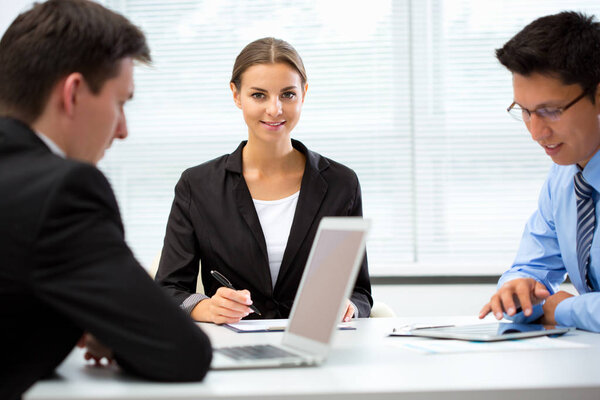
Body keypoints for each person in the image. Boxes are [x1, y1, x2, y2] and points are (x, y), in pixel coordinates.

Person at [0, 1, 212, 399]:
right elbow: (184, 353)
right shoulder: (62, 191)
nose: (123, 130)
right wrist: (114, 327)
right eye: (120, 102)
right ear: (74, 93)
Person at [156, 37, 372, 324]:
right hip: (233, 346)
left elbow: (359, 291)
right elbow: (169, 289)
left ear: (304, 94)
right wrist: (207, 307)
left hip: (315, 345)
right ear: (236, 95)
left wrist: (349, 306)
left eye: (288, 94)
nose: (275, 109)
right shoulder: (197, 185)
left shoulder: (341, 183)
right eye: (259, 95)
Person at [479, 11, 600, 332]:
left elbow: (557, 308)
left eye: (550, 111)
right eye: (525, 112)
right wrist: (518, 289)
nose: (536, 132)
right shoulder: (565, 177)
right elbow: (532, 265)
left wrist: (563, 309)